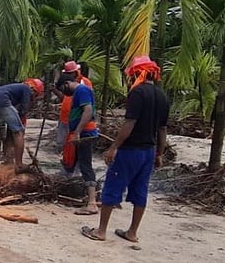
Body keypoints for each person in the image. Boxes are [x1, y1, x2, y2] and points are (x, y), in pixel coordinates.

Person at [81, 55, 170, 242]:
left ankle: (101, 231)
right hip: (149, 151)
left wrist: (113, 147)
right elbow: (162, 129)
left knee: (113, 187)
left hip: (131, 150)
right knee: (140, 191)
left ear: (137, 73)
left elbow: (130, 123)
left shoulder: (137, 93)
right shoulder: (162, 96)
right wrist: (160, 153)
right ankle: (132, 232)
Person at [0, 78, 44, 171]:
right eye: (35, 96)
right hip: (0, 100)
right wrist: (20, 123)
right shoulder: (26, 89)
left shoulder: (14, 89)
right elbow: (24, 110)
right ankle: (19, 165)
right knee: (18, 132)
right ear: (34, 90)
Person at [57, 69, 99, 215]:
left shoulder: (82, 90)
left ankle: (92, 203)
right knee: (78, 163)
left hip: (85, 133)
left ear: (67, 83)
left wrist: (77, 132)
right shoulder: (79, 92)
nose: (64, 93)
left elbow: (88, 111)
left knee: (85, 165)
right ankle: (84, 195)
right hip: (83, 132)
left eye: (63, 88)